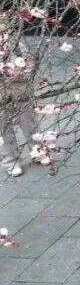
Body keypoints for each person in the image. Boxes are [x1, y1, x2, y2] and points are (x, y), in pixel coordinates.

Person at [0, 34, 40, 178]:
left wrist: (22, 73)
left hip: (19, 83)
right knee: (2, 124)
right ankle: (10, 161)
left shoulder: (13, 39)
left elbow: (29, 61)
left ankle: (38, 150)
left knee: (28, 118)